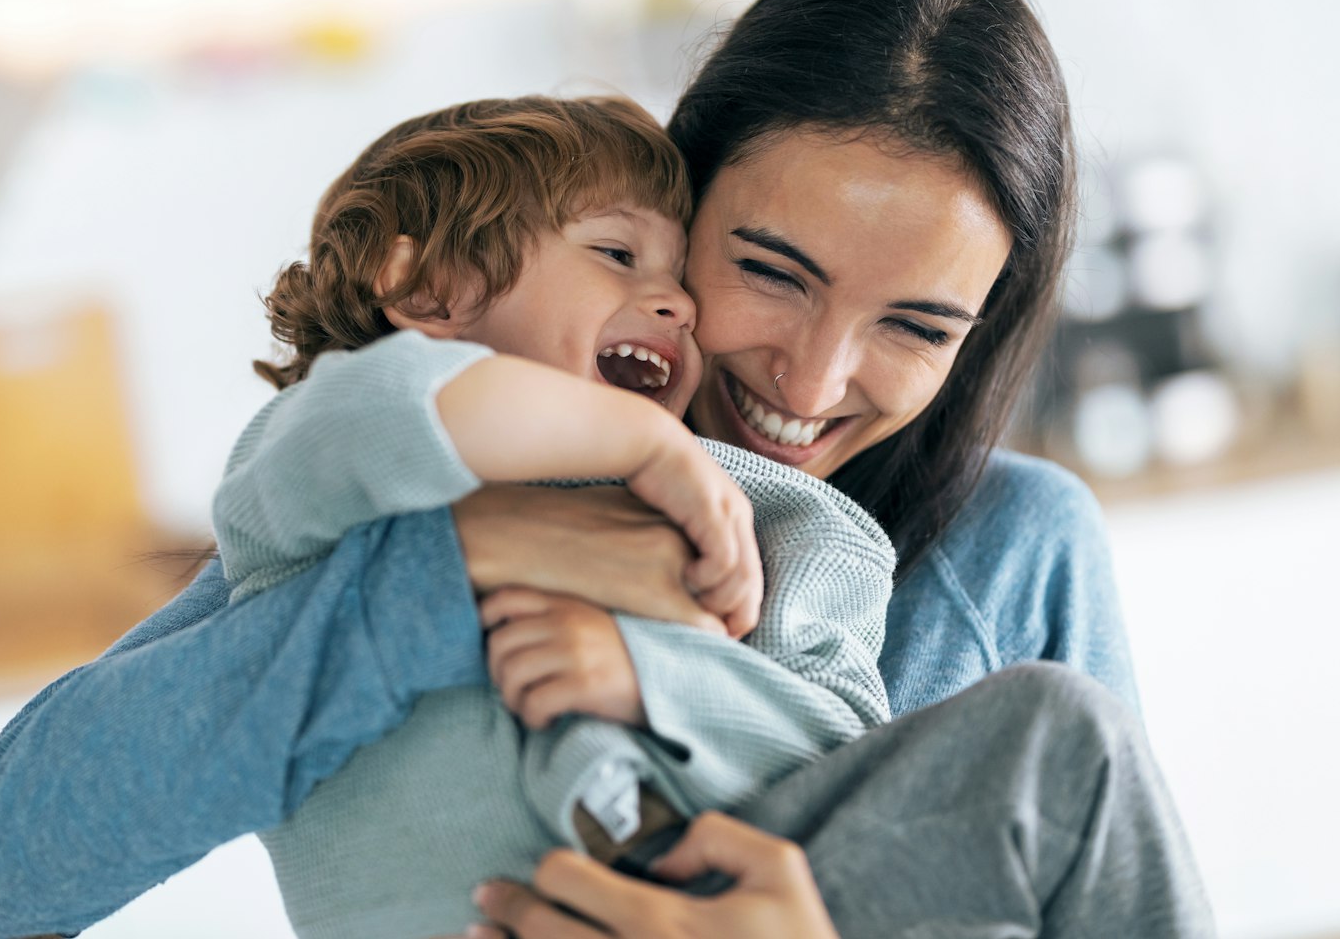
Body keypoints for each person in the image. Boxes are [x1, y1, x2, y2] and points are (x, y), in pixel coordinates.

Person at [0, 0, 1204, 936]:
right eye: (771, 269)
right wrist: (466, 563)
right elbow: (0, 868)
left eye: (916, 326)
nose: (814, 377)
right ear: (673, 201)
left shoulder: (1009, 556)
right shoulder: (432, 484)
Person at [208, 94, 896, 936]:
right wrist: (643, 447)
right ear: (430, 291)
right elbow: (377, 401)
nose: (678, 305)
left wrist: (648, 677)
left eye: (679, 276)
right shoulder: (311, 474)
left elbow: (860, 759)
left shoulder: (777, 515)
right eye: (617, 252)